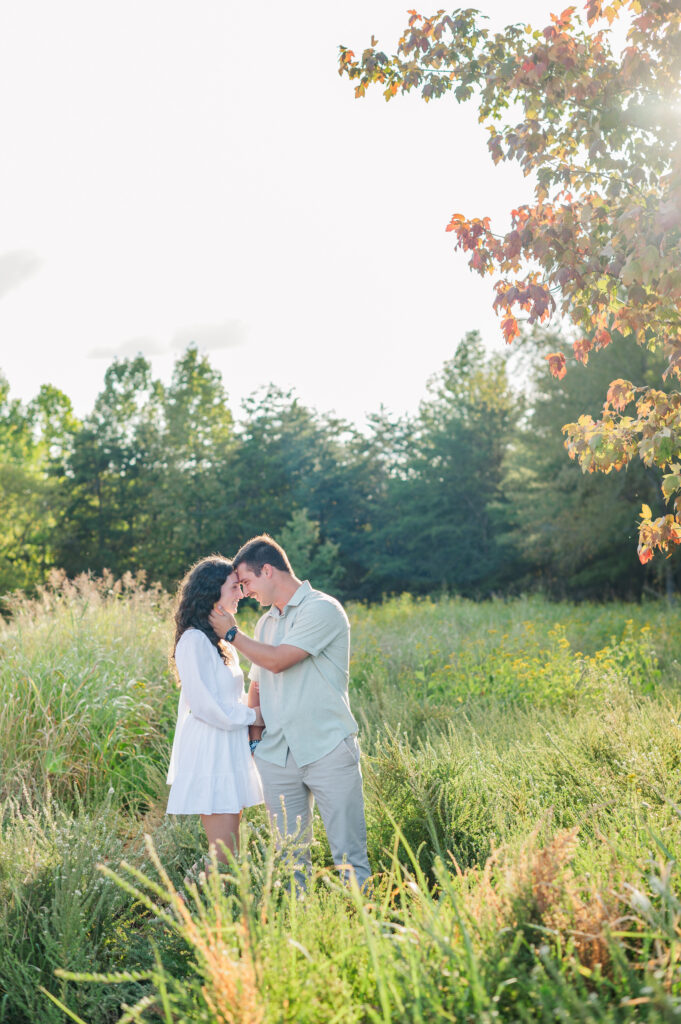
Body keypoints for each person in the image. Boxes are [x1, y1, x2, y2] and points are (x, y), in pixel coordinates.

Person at [208, 534, 371, 888]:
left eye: (247, 582)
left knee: (349, 857)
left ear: (267, 571)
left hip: (327, 748)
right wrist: (255, 745)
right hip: (278, 757)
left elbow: (279, 661)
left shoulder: (322, 609)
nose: (245, 591)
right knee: (288, 861)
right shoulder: (266, 623)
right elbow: (258, 684)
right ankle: (301, 933)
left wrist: (232, 634)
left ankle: (364, 931)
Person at [167, 556, 265, 864]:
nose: (240, 594)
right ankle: (182, 908)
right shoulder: (193, 640)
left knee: (229, 854)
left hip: (228, 747)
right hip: (211, 751)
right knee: (225, 857)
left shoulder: (222, 643)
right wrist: (253, 717)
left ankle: (202, 905)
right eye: (234, 587)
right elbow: (205, 707)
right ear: (212, 591)